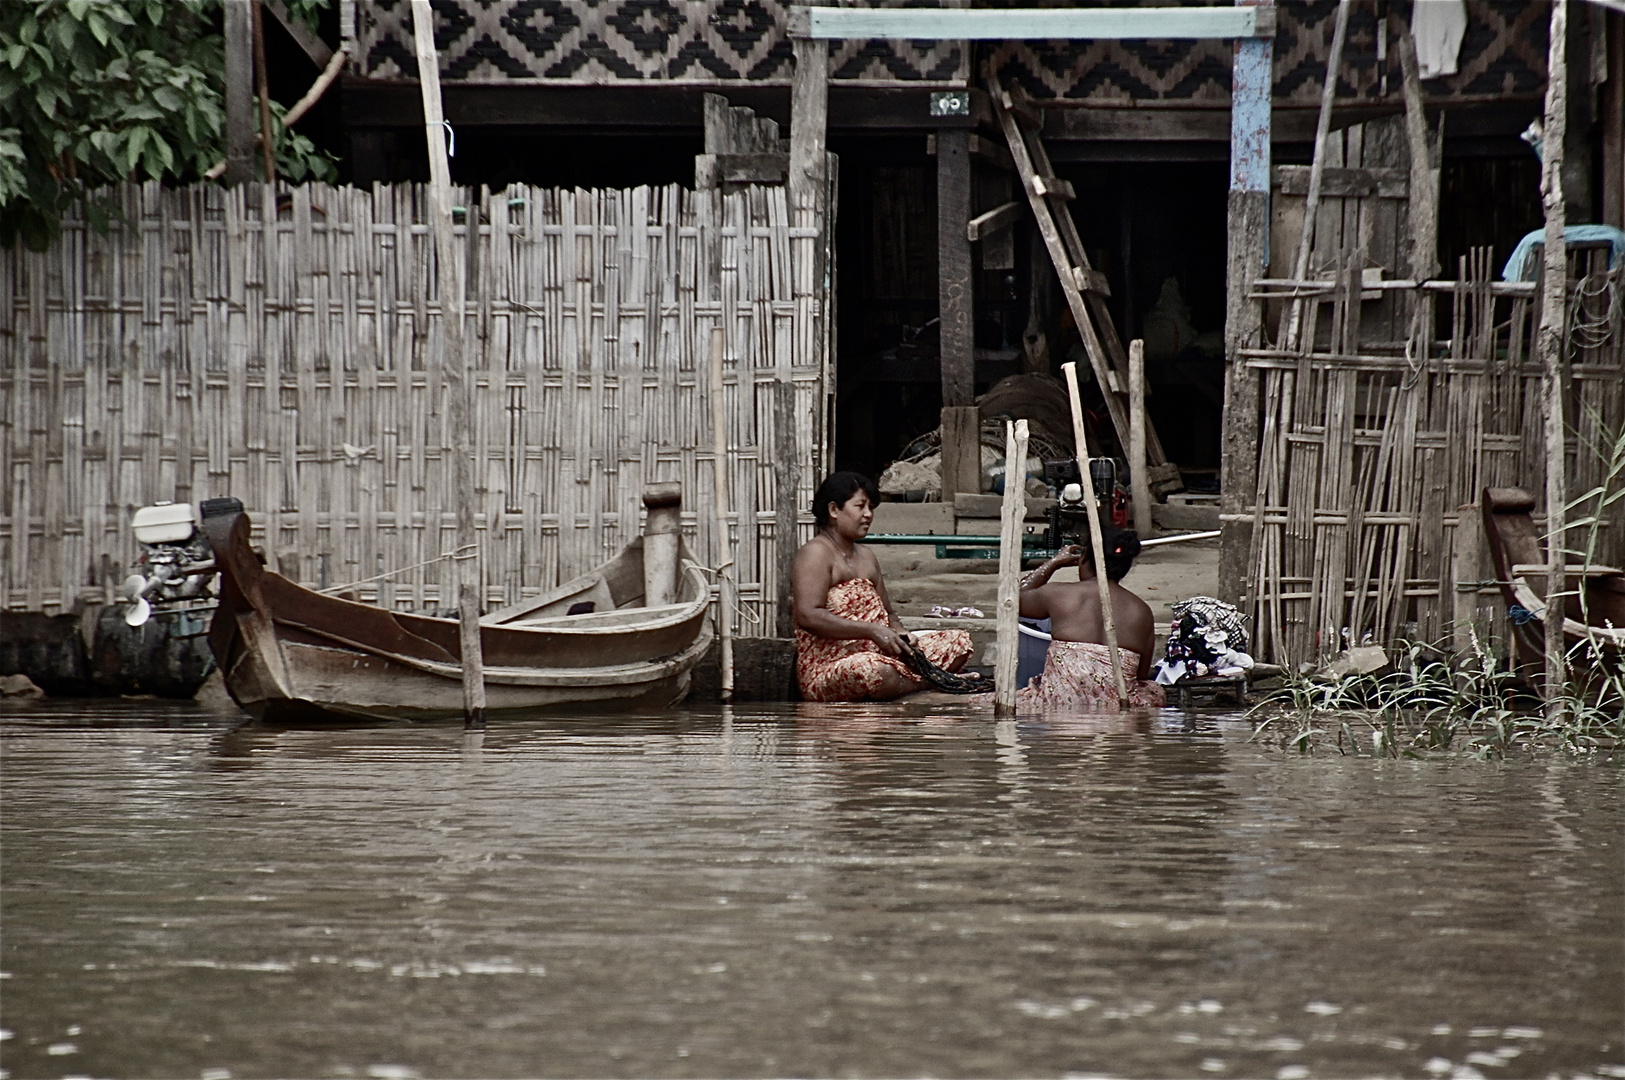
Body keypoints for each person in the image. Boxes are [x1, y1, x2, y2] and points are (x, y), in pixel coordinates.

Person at [791, 472, 974, 701]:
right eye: (860, 506)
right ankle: (932, 680)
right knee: (871, 670)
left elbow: (889, 614)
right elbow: (808, 615)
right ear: (833, 510)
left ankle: (917, 679)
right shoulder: (814, 554)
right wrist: (871, 630)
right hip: (834, 666)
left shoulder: (867, 557)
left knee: (958, 642)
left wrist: (901, 634)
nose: (868, 514)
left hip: (882, 655)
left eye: (871, 507)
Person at [1014, 524, 1166, 710]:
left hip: (1059, 704)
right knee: (1151, 690)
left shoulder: (1058, 594)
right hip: (1117, 707)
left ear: (1084, 559)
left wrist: (1054, 562)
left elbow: (1013, 600)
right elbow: (1141, 675)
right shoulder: (1141, 611)